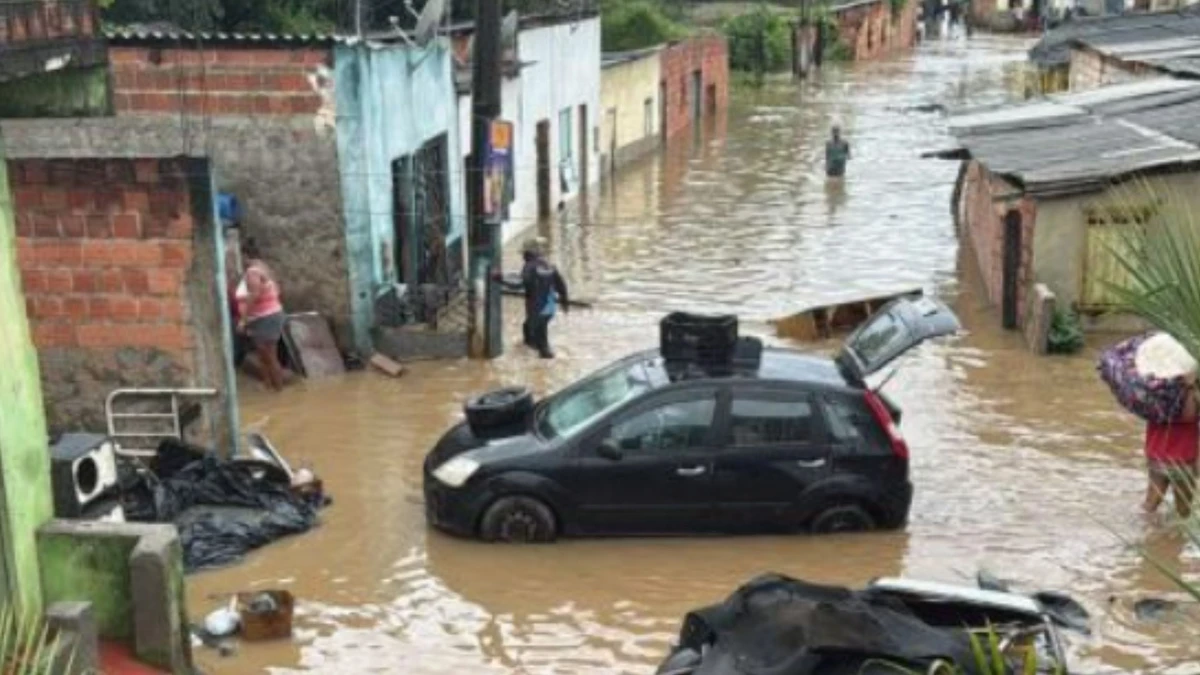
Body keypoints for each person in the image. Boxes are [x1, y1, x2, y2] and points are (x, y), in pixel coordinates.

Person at [504, 238, 569, 359]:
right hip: (549, 309)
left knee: (541, 342)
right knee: (529, 329)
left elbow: (519, 285)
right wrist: (565, 304)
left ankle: (544, 365)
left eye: (524, 253)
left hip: (536, 309)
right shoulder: (551, 266)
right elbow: (561, 286)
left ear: (530, 253)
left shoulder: (529, 266)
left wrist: (498, 279)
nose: (523, 256)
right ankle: (531, 357)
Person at [236, 238, 287, 391]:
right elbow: (277, 290)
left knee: (269, 357)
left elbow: (255, 294)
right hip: (267, 316)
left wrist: (243, 320)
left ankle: (277, 391)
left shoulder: (253, 272)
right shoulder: (264, 268)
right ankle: (271, 389)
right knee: (264, 356)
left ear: (245, 255)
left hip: (265, 318)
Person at [1143, 386, 1199, 518]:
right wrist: (1190, 387)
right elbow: (1188, 415)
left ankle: (1147, 535)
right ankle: (1178, 537)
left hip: (1157, 453)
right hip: (1184, 457)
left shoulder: (1155, 388)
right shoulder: (1190, 390)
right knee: (1184, 510)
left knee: (1150, 505)